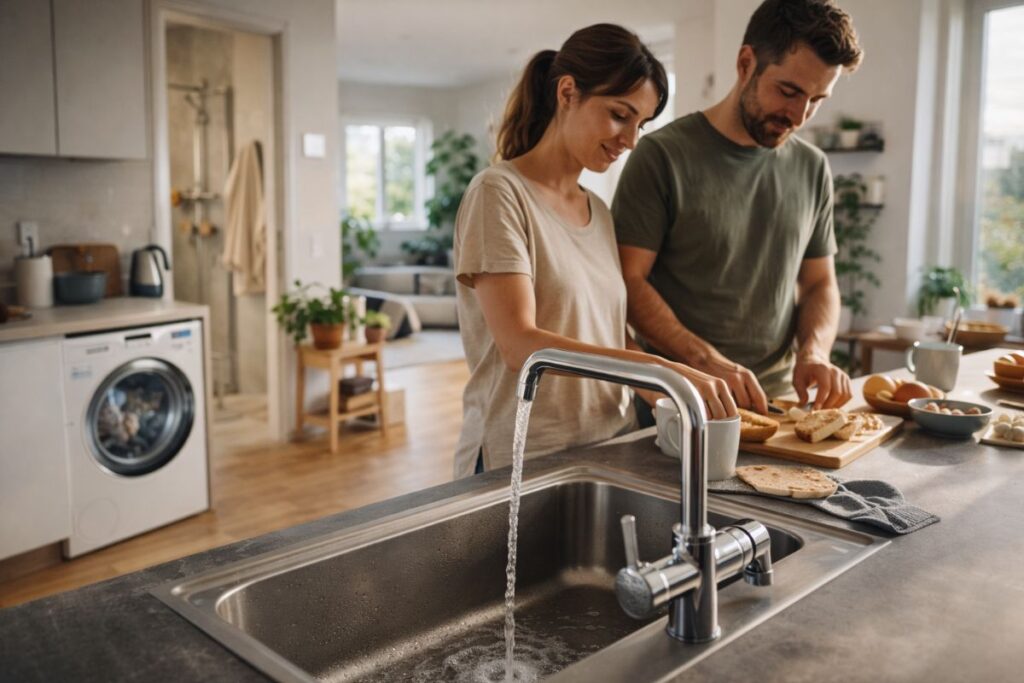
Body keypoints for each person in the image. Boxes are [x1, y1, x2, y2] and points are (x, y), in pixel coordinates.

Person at [452, 24, 737, 479]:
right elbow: (520, 345)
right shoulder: (499, 194)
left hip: (610, 447)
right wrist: (664, 368)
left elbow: (607, 337)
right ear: (568, 92)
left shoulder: (599, 213)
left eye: (641, 124)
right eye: (620, 115)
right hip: (524, 457)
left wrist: (674, 403)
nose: (631, 139)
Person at [612, 0, 863, 420]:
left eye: (817, 100)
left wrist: (814, 351)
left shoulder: (812, 167)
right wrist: (706, 361)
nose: (799, 115)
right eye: (789, 91)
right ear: (746, 63)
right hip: (682, 402)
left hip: (780, 406)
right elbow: (627, 281)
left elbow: (820, 283)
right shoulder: (662, 156)